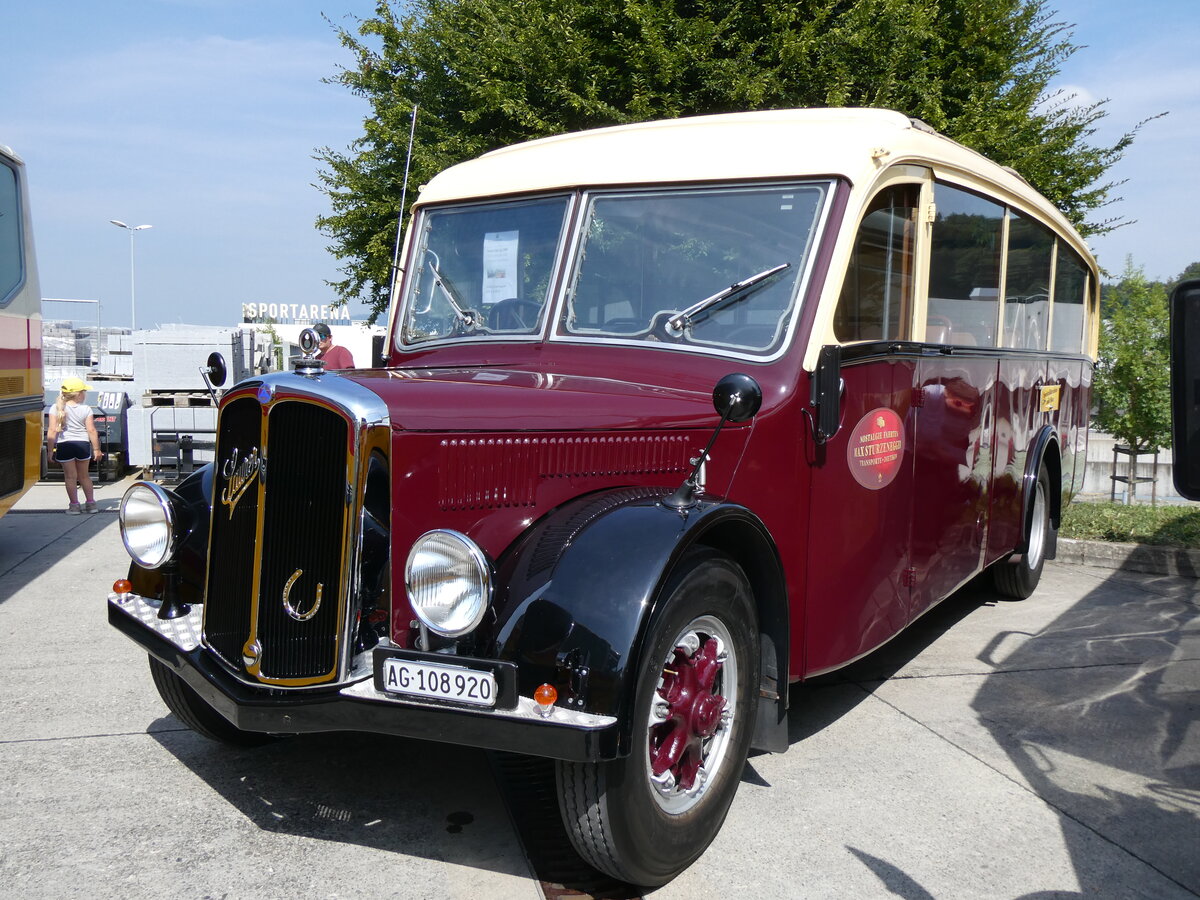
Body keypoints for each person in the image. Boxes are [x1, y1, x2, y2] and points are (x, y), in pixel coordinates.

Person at [47, 377, 102, 514]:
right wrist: (96, 449)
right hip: (82, 444)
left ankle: (74, 505)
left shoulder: (56, 408)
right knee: (84, 476)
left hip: (64, 445)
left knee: (70, 477)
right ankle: (91, 504)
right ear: (79, 394)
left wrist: (50, 451)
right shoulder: (86, 409)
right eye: (84, 391)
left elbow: (52, 430)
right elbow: (91, 430)